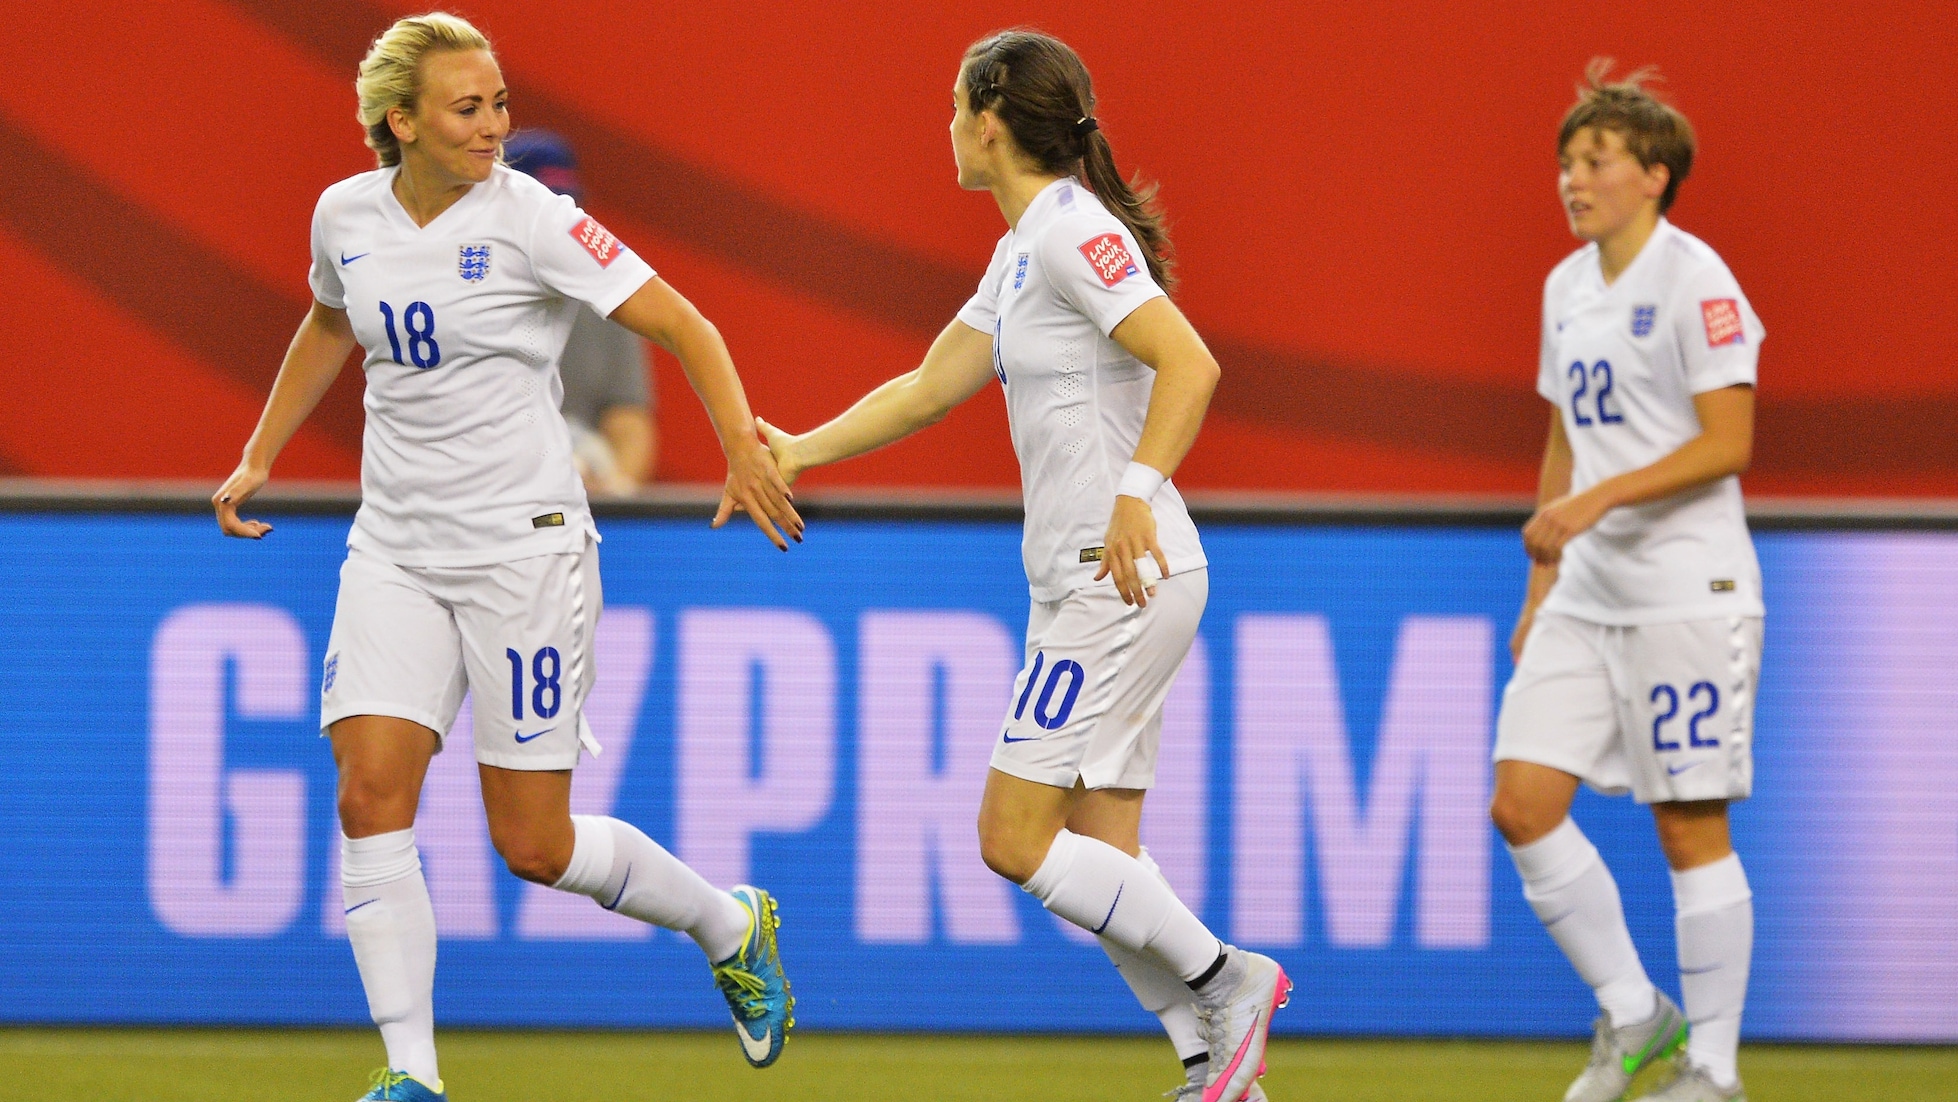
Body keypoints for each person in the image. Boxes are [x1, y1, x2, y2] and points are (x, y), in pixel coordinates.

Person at [210, 14, 801, 1101]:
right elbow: (328, 324)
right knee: (367, 792)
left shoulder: (535, 219)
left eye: (498, 105)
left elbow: (683, 321)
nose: (492, 126)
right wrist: (259, 454)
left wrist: (738, 446)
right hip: (393, 544)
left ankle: (726, 922)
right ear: (402, 120)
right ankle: (412, 1076)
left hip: (521, 551)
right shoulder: (345, 214)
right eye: (466, 107)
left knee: (532, 844)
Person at [758, 30, 1286, 1102]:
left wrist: (1134, 495)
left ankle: (1228, 978)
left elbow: (1189, 360)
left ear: (988, 119)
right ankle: (1213, 1067)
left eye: (952, 104)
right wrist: (798, 449)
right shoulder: (1022, 246)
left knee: (1012, 836)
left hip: (1117, 574)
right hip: (1091, 579)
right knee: (1097, 855)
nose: (944, 124)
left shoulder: (1069, 233)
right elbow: (924, 387)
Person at [1491, 60, 1764, 1102]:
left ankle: (1713, 1070)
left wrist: (1600, 502)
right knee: (1519, 802)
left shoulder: (1695, 279)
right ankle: (1636, 1015)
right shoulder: (1565, 286)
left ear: (1652, 175)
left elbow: (1728, 439)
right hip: (1586, 591)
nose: (1571, 180)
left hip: (1683, 590)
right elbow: (1563, 434)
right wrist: (1538, 585)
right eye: (1564, 162)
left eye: (1593, 160)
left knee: (1686, 822)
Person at [502, 129, 658, 494]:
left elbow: (630, 424)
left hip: (578, 498)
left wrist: (612, 487)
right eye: (543, 211)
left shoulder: (605, 296)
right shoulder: (463, 291)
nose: (558, 230)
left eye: (567, 208)